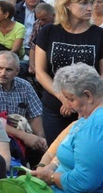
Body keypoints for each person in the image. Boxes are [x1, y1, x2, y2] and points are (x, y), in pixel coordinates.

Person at [34, 0, 103, 143]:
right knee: (56, 154)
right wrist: (65, 98)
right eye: (83, 3)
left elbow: (101, 75)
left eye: (91, 3)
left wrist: (79, 101)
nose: (90, 8)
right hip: (55, 106)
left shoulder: (99, 35)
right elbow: (40, 71)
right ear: (67, 4)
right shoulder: (49, 31)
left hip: (89, 108)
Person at [30, 63, 103, 191]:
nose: (67, 105)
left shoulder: (95, 126)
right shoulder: (88, 117)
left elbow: (84, 182)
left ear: (88, 96)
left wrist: (51, 178)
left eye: (71, 99)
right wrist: (50, 167)